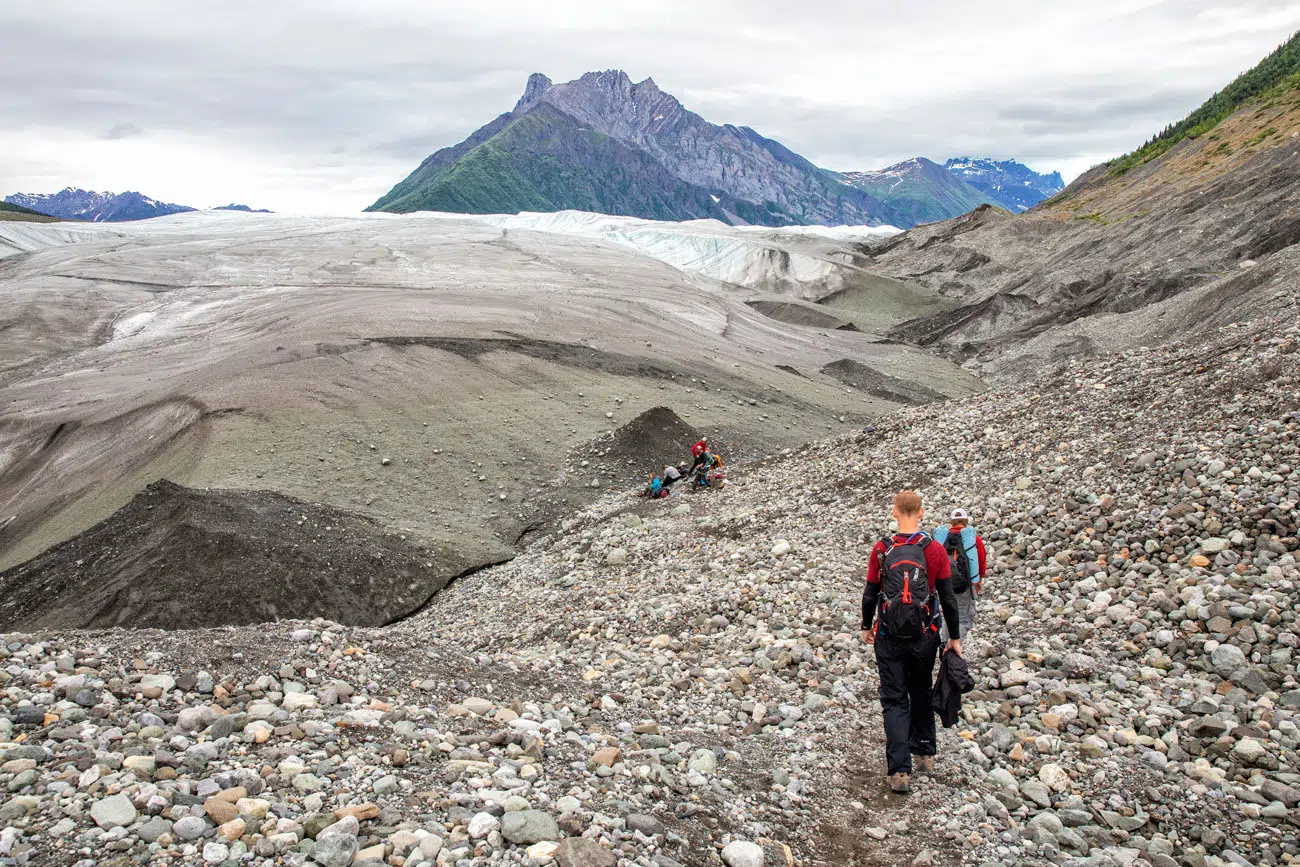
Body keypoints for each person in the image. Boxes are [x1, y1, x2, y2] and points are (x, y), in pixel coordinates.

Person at [861, 490, 962, 795]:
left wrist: (867, 626)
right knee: (920, 689)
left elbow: (870, 593)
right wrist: (953, 637)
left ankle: (899, 771)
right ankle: (926, 754)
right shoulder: (933, 550)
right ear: (922, 512)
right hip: (925, 635)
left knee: (893, 699)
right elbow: (947, 597)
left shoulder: (881, 548)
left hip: (889, 635)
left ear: (894, 512)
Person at [932, 508, 987, 644]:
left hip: (943, 584)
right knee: (962, 618)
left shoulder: (942, 539)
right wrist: (978, 580)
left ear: (952, 522)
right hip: (964, 585)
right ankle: (952, 650)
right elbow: (981, 562)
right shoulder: (973, 539)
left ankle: (944, 646)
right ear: (966, 522)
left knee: (947, 615)